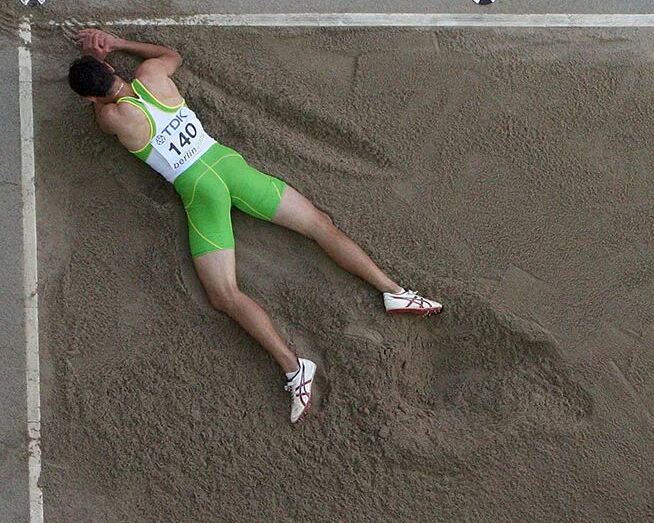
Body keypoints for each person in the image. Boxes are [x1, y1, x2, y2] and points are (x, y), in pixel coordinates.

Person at [67, 29, 443, 423]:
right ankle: (395, 292)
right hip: (228, 164)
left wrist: (95, 93)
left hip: (199, 189)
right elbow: (171, 53)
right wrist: (115, 42)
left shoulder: (110, 116)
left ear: (92, 96)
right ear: (111, 66)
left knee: (225, 294)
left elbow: (103, 107)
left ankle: (294, 366)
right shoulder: (153, 74)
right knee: (319, 224)